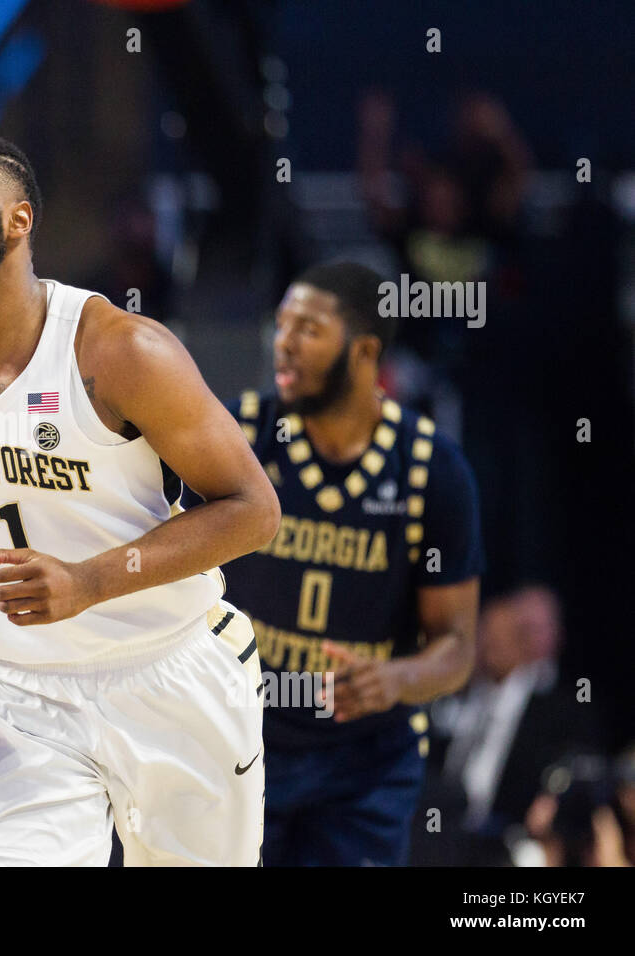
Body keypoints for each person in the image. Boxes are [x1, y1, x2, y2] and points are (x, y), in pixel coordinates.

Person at [0, 134, 280, 866]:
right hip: (25, 691)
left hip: (174, 670)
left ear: (18, 220)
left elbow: (252, 510)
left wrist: (90, 581)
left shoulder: (120, 352)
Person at [191, 261, 482, 865]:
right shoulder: (239, 433)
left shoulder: (431, 470)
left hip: (365, 762)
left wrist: (398, 679)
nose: (285, 343)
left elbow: (456, 647)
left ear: (364, 350)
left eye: (309, 329)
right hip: (238, 740)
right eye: (281, 325)